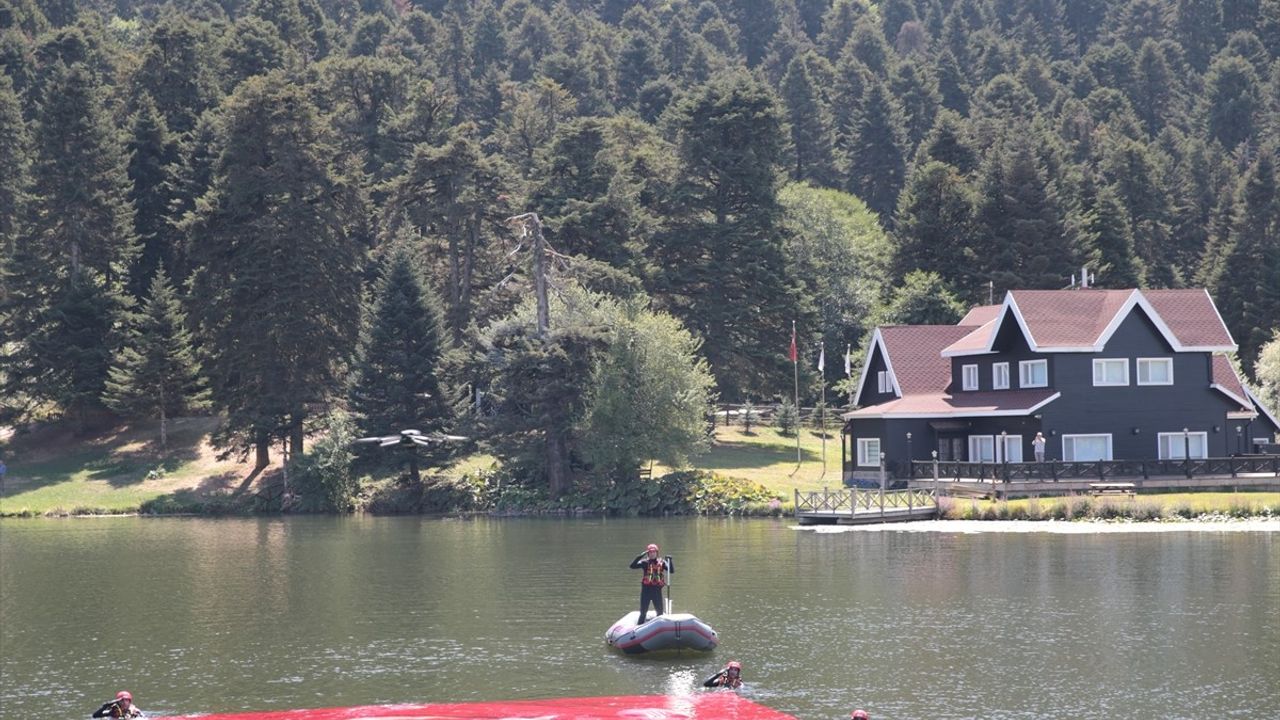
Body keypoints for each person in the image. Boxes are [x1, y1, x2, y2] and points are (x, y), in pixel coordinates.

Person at [629, 543, 669, 624]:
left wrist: (670, 561)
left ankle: (660, 628)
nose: (652, 554)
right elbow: (632, 566)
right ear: (648, 553)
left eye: (654, 552)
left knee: (660, 612)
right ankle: (638, 630)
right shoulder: (644, 562)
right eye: (650, 552)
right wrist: (640, 556)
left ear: (656, 553)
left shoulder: (662, 562)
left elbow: (671, 571)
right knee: (643, 612)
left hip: (657, 591)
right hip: (646, 591)